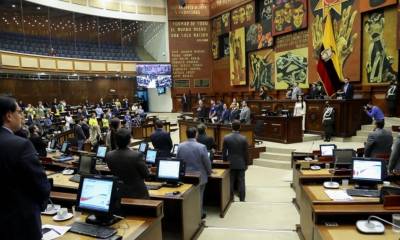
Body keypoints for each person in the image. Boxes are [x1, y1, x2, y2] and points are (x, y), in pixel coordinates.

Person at [0, 96, 50, 240]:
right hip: (21, 222)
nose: (22, 116)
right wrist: (40, 206)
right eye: (19, 112)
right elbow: (40, 184)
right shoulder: (21, 145)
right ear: (9, 116)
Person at [177, 127, 211, 218]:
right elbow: (207, 163)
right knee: (199, 197)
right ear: (196, 134)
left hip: (185, 176)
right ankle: (198, 216)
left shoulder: (180, 146)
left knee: (188, 197)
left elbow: (178, 161)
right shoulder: (201, 147)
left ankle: (188, 216)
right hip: (199, 177)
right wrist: (209, 172)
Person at [106, 128, 149, 199]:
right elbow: (146, 174)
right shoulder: (136, 155)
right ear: (129, 140)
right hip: (138, 194)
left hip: (120, 192)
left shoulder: (109, 155)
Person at [222, 120, 248, 202]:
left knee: (231, 181)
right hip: (241, 163)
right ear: (240, 127)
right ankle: (242, 199)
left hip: (230, 163)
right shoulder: (244, 138)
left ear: (231, 127)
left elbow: (224, 152)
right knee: (241, 181)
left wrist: (225, 162)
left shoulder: (226, 137)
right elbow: (246, 153)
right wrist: (246, 164)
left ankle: (231, 199)